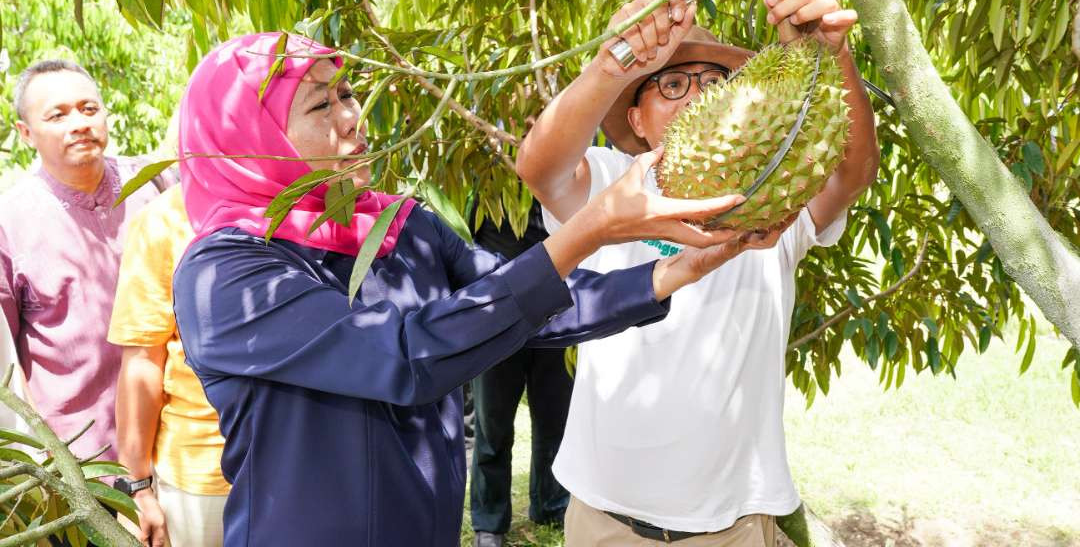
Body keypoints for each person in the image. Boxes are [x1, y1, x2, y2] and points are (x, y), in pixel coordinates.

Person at [170, 32, 782, 546]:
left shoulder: (400, 227)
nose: (352, 116)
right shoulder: (227, 276)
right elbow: (408, 355)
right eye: (319, 106)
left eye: (347, 93)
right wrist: (592, 228)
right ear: (251, 138)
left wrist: (674, 272)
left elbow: (522, 302)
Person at [515, 0, 880, 546]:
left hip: (730, 524)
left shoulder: (770, 197)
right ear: (635, 119)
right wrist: (615, 64)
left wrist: (836, 57)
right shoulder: (614, 184)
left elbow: (851, 174)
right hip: (606, 519)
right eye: (672, 85)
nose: (699, 96)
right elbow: (540, 167)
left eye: (714, 82)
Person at [0, 59, 169, 464]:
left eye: (88, 109)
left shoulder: (156, 183)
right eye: (57, 115)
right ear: (26, 133)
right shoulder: (10, 219)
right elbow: (6, 356)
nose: (78, 123)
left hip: (173, 445)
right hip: (79, 460)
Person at [109, 184, 228, 547]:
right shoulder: (168, 217)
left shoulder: (319, 200)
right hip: (202, 478)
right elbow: (143, 363)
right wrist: (138, 486)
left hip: (304, 467)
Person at [469, 200, 573, 547]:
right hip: (498, 319)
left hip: (558, 316)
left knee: (553, 422)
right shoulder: (486, 178)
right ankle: (489, 521)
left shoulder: (567, 177)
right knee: (492, 425)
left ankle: (550, 504)